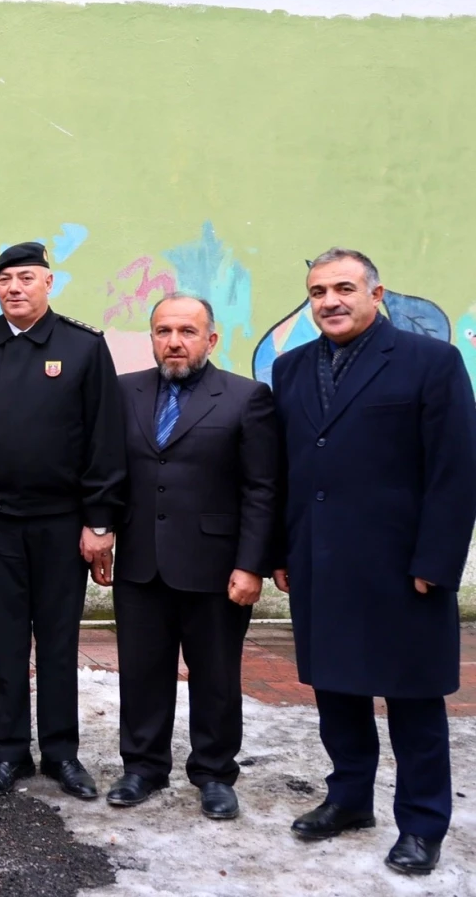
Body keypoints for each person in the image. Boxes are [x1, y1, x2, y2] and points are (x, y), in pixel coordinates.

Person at [271, 248, 476, 877]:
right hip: (319, 561)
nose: (329, 301)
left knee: (413, 699)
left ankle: (421, 823)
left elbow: (456, 470)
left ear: (376, 293)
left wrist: (437, 561)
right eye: (316, 291)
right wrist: (283, 551)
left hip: (401, 565)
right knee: (336, 690)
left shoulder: (431, 362)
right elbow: (284, 469)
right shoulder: (291, 368)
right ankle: (349, 799)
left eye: (343, 288)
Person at [0, 241, 125, 799]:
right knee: (3, 641)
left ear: (50, 283)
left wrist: (99, 520)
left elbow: (104, 438)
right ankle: (9, 752)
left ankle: (63, 754)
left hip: (60, 521)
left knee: (57, 640)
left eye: (25, 277)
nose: (14, 288)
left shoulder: (83, 347)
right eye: (4, 279)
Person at [108, 295, 278, 820]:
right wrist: (100, 531)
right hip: (139, 560)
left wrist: (252, 564)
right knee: (141, 671)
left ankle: (214, 772)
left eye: (186, 330)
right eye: (163, 331)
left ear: (212, 339)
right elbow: (108, 470)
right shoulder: (124, 391)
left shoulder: (247, 397)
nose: (174, 341)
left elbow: (262, 488)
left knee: (216, 675)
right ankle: (142, 766)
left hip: (215, 566)